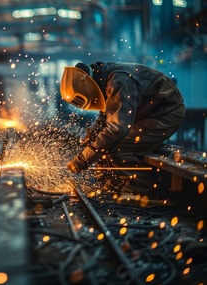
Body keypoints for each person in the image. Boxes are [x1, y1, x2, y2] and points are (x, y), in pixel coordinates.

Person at [60, 62, 185, 194]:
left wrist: (84, 159)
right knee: (101, 142)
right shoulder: (105, 79)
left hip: (165, 114)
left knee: (113, 145)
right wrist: (92, 135)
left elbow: (117, 129)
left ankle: (141, 188)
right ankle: (116, 183)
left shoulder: (119, 82)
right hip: (146, 113)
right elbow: (108, 115)